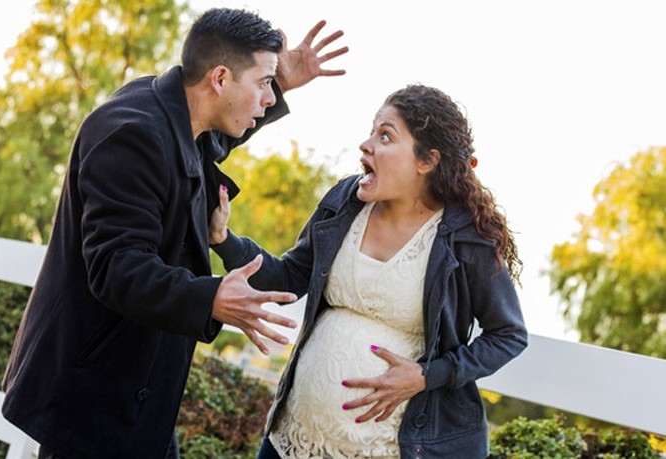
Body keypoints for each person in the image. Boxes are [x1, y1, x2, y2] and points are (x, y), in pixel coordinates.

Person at [0, 8, 348, 459]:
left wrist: (280, 81)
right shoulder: (132, 134)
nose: (267, 100)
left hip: (136, 393)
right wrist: (212, 298)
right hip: (91, 399)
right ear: (220, 79)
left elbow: (215, 139)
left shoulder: (182, 112)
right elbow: (117, 267)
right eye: (263, 83)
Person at [209, 83, 528, 458]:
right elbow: (290, 277)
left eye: (386, 136)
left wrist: (427, 375)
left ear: (426, 161)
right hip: (293, 434)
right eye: (372, 131)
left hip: (390, 447)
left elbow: (508, 335)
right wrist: (224, 240)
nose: (366, 145)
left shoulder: (465, 239)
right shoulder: (345, 201)